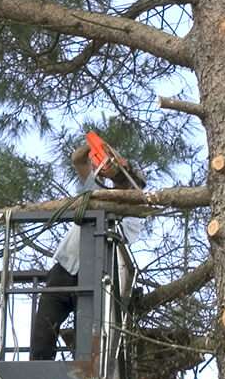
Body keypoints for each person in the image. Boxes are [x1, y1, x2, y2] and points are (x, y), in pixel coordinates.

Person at [29, 141, 144, 361]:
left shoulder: (133, 215)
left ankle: (82, 378)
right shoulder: (97, 191)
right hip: (65, 268)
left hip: (95, 276)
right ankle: (37, 369)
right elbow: (78, 160)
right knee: (44, 327)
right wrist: (101, 148)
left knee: (86, 338)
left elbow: (120, 239)